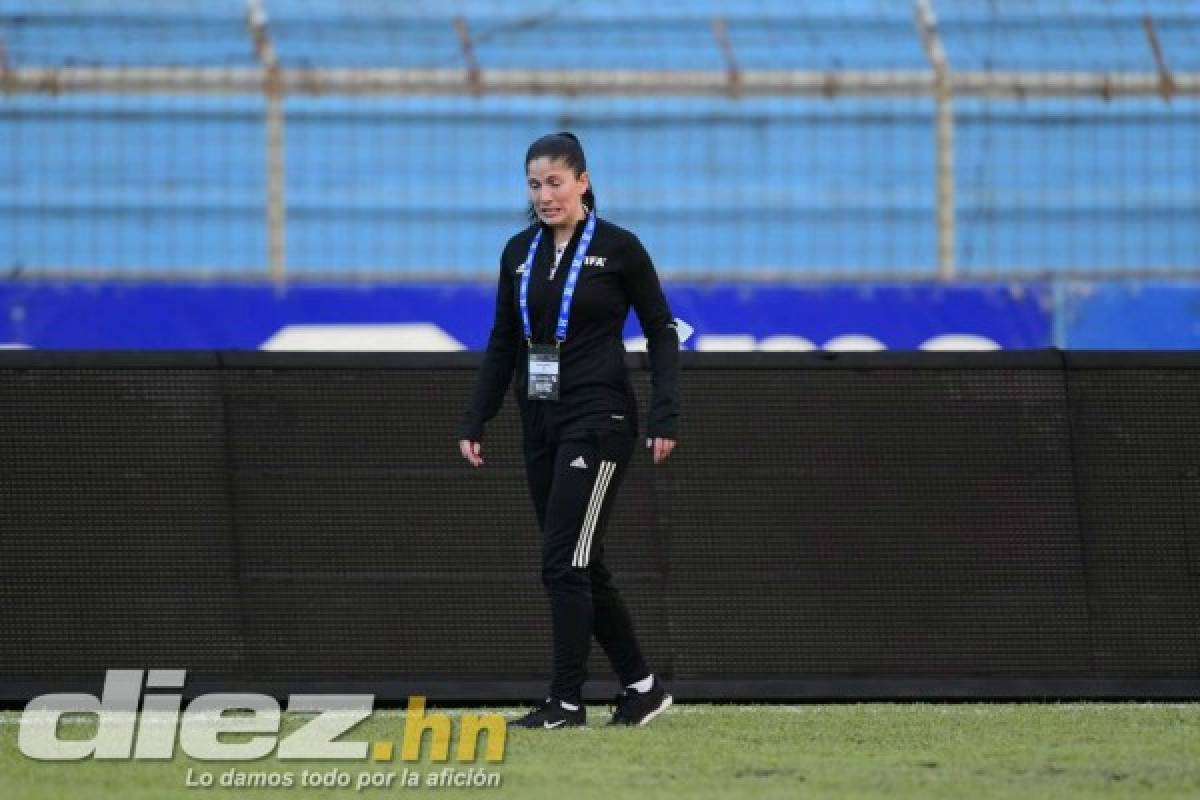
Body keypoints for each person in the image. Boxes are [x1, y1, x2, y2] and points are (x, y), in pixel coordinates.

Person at [457, 131, 679, 729]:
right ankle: (643, 688)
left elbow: (662, 330)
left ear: (582, 181)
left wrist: (664, 413)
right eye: (534, 184)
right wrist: (477, 415)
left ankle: (565, 700)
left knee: (563, 562)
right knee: (581, 561)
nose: (544, 195)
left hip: (600, 419)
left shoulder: (619, 248)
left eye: (555, 182)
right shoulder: (518, 252)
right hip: (540, 421)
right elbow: (505, 339)